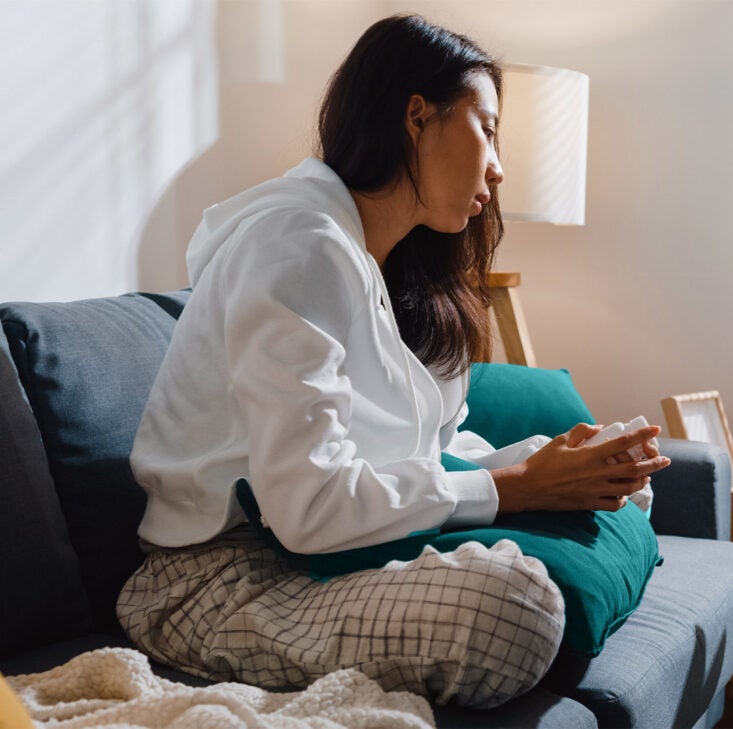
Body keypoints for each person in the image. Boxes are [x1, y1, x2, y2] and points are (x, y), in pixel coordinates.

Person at [116, 14, 669, 709]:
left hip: (321, 549)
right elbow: (311, 507)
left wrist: (549, 461)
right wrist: (522, 485)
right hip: (225, 578)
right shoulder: (296, 245)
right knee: (516, 605)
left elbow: (431, 450)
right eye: (488, 129)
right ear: (416, 116)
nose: (499, 167)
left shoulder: (388, 267)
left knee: (623, 487)